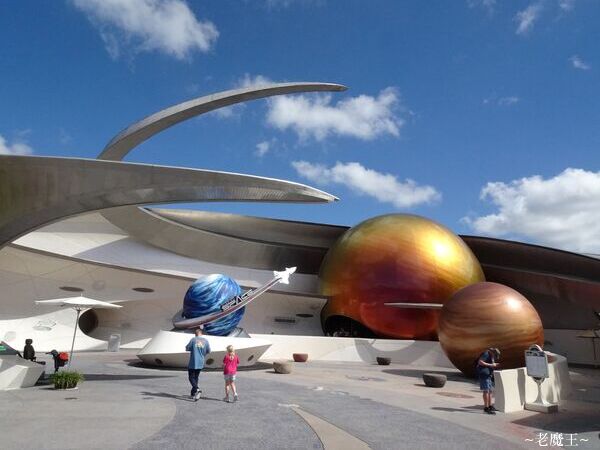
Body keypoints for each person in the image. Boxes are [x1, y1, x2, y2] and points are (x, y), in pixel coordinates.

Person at [185, 327, 211, 401]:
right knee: (196, 377)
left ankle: (197, 390)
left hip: (193, 361)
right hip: (201, 361)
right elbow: (209, 351)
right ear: (201, 334)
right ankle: (193, 394)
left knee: (191, 377)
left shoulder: (193, 340)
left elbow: (187, 348)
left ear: (195, 334)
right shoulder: (206, 341)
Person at [477, 347, 501, 414]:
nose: (495, 357)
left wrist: (494, 365)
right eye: (495, 356)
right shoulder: (486, 354)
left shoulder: (490, 355)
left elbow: (490, 364)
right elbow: (480, 362)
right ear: (493, 353)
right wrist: (491, 365)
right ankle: (486, 407)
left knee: (490, 391)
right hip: (484, 374)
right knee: (486, 391)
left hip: (488, 375)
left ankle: (490, 406)